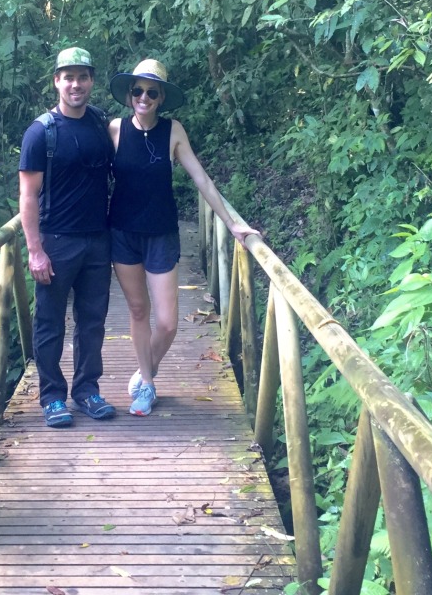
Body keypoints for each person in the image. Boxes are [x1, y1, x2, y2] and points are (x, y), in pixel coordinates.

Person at [108, 58, 260, 417]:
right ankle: (147, 383)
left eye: (152, 92)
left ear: (160, 98)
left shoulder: (173, 131)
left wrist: (233, 224)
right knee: (137, 310)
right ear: (130, 94)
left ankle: (147, 368)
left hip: (161, 233)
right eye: (138, 90)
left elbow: (201, 179)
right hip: (122, 233)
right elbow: (92, 177)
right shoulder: (114, 130)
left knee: (168, 322)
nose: (143, 97)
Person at [19, 46, 116, 427]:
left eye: (83, 76)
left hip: (97, 239)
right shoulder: (41, 132)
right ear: (56, 82)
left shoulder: (99, 124)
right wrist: (34, 250)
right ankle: (52, 397)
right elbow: (27, 195)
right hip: (56, 241)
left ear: (91, 80)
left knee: (93, 321)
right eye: (68, 77)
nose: (76, 84)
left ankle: (87, 391)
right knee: (50, 322)